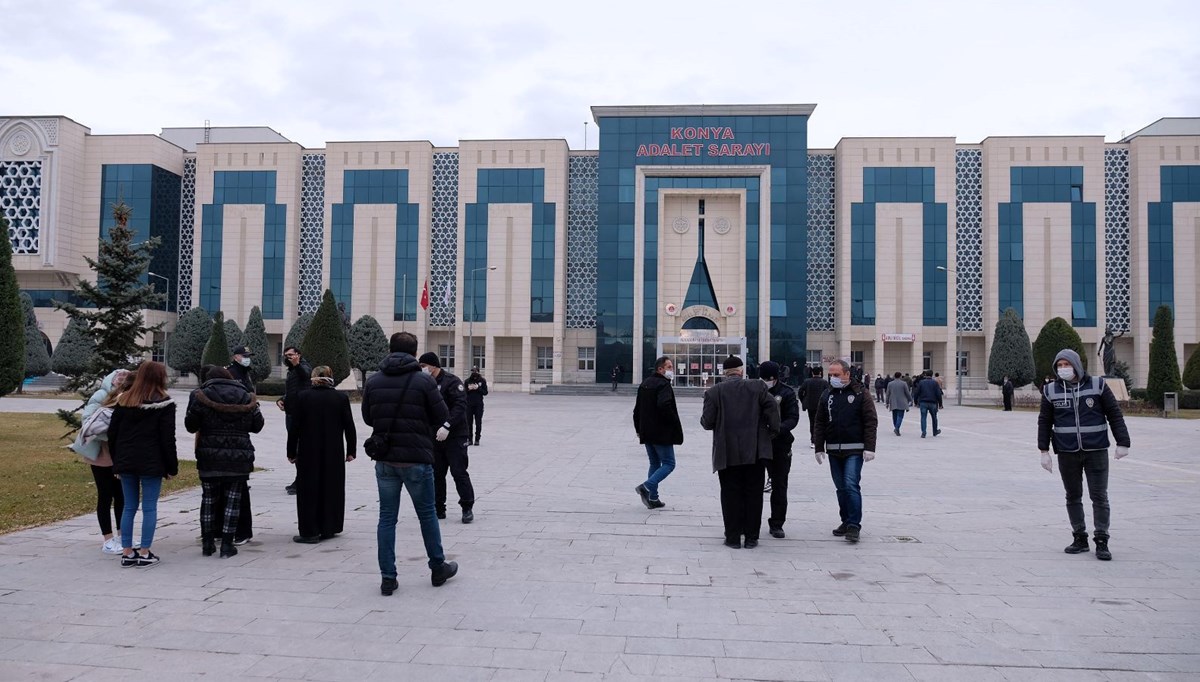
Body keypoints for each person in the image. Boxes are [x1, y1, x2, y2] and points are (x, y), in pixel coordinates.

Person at [362, 332, 458, 596]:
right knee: (427, 514)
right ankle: (437, 567)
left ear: (390, 350)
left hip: (386, 460)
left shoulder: (374, 380)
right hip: (416, 458)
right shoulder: (424, 381)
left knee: (386, 518)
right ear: (415, 353)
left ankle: (387, 577)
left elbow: (368, 418)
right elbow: (441, 415)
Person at [1038, 349, 1131, 561]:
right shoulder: (1051, 390)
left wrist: (1123, 442)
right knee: (1072, 496)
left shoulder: (1097, 385)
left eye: (1066, 365)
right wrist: (1044, 451)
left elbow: (1114, 414)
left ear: (1076, 365)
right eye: (1059, 366)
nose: (1063, 369)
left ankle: (1102, 539)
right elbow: (1044, 421)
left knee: (1099, 496)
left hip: (1095, 450)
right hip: (1067, 451)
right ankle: (1079, 537)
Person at [700, 356, 780, 549]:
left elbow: (707, 422)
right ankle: (751, 538)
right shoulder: (758, 387)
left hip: (727, 452)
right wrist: (772, 431)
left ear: (724, 373)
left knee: (730, 495)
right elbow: (773, 409)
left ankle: (733, 537)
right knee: (754, 494)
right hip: (754, 451)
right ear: (741, 371)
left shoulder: (714, 392)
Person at [185, 365, 263, 558]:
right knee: (233, 501)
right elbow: (257, 425)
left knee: (209, 499)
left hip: (209, 455)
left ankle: (208, 543)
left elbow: (190, 425)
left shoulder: (201, 395)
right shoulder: (246, 396)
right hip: (238, 455)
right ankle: (227, 545)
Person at [108, 361, 177, 568]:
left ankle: (127, 552)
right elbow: (167, 438)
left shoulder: (124, 400)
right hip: (151, 461)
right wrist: (171, 467)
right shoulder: (165, 403)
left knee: (129, 506)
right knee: (149, 507)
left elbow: (113, 434)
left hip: (126, 460)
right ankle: (144, 552)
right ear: (160, 378)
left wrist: (116, 462)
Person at [288, 365, 356, 543]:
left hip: (308, 450)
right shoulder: (340, 398)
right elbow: (349, 426)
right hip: (333, 451)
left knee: (309, 489)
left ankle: (310, 531)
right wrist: (351, 450)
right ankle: (329, 527)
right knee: (332, 488)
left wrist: (291, 451)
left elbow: (294, 427)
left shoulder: (303, 397)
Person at [813, 359, 878, 543]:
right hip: (834, 449)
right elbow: (819, 421)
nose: (833, 378)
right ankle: (846, 520)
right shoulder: (827, 394)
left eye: (837, 375)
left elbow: (870, 421)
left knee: (850, 485)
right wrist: (819, 447)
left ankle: (854, 525)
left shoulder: (860, 393)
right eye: (831, 375)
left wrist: (869, 447)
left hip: (854, 448)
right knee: (841, 488)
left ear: (847, 374)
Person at [70, 368, 131, 554]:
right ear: (111, 380)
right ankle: (108, 539)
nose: (121, 380)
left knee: (121, 495)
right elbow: (87, 421)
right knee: (105, 495)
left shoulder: (128, 396)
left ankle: (122, 536)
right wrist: (111, 434)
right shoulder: (101, 395)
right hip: (101, 453)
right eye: (119, 377)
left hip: (119, 454)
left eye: (125, 378)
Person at [418, 352, 476, 523]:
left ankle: (467, 507)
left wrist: (447, 425)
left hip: (455, 435)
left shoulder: (452, 382)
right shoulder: (425, 383)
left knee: (459, 472)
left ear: (433, 366)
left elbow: (460, 406)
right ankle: (438, 508)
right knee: (437, 473)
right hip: (435, 436)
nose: (422, 369)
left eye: (423, 366)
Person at [632, 355, 683, 510]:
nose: (672, 370)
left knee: (654, 463)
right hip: (661, 432)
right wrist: (674, 422)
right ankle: (647, 486)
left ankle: (653, 498)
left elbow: (637, 410)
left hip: (647, 431)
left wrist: (639, 430)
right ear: (660, 369)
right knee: (669, 463)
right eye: (669, 367)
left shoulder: (645, 383)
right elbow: (664, 405)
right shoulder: (663, 384)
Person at [758, 361, 799, 539]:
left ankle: (777, 523)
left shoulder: (786, 393)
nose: (766, 381)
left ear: (775, 378)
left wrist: (776, 429)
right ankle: (751, 522)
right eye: (763, 378)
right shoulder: (754, 390)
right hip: (758, 444)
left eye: (769, 379)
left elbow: (793, 418)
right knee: (754, 485)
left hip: (780, 445)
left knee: (779, 485)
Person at [278, 346, 311, 495]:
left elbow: (306, 377)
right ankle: (300, 478)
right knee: (295, 447)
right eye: (286, 355)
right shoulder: (291, 370)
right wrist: (282, 400)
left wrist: (297, 365)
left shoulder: (303, 366)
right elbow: (292, 391)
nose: (288, 358)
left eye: (291, 355)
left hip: (301, 415)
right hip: (291, 413)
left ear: (298, 355)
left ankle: (302, 480)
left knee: (300, 448)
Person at [798, 366, 830, 448]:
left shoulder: (807, 381)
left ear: (812, 373)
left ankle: (813, 440)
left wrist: (803, 401)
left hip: (810, 406)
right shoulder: (824, 382)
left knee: (812, 423)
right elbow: (828, 393)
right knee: (822, 423)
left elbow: (800, 392)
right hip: (821, 406)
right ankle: (822, 440)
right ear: (820, 373)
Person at [912, 370, 943, 438]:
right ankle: (935, 431)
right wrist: (940, 404)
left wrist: (916, 402)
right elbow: (938, 394)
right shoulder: (935, 383)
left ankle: (923, 432)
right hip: (933, 402)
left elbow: (917, 392)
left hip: (923, 402)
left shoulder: (921, 382)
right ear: (932, 375)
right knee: (934, 417)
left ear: (925, 375)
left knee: (923, 417)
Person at [464, 366, 488, 446]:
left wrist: (478, 388)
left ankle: (477, 439)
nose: (474, 373)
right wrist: (469, 389)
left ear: (478, 372)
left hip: (478, 405)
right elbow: (463, 393)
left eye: (475, 371)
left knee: (478, 422)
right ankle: (469, 439)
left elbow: (485, 392)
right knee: (468, 423)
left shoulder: (482, 381)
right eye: (472, 371)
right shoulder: (467, 381)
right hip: (469, 405)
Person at [885, 371, 912, 436]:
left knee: (894, 416)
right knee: (900, 416)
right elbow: (907, 393)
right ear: (900, 376)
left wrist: (887, 402)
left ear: (894, 376)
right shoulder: (904, 383)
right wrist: (910, 399)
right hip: (902, 402)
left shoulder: (890, 384)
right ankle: (897, 428)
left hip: (893, 401)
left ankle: (896, 427)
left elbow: (887, 394)